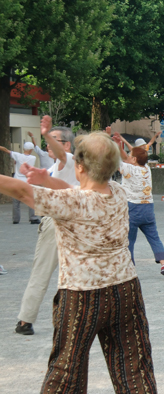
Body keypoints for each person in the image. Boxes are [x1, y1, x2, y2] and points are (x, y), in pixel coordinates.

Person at [1, 130, 158, 394]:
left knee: (66, 373)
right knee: (134, 369)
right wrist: (48, 181)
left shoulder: (71, 202)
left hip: (81, 296)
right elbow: (82, 193)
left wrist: (45, 183)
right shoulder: (118, 192)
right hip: (125, 290)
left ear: (80, 166)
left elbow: (20, 189)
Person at [14, 118, 79, 336]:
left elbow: (61, 155)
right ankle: (27, 319)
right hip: (67, 222)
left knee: (43, 271)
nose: (49, 145)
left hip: (59, 222)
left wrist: (45, 133)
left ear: (67, 144)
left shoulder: (68, 159)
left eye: (54, 141)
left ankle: (25, 320)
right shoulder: (53, 167)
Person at [113, 133, 164, 280]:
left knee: (130, 241)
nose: (127, 156)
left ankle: (131, 269)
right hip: (148, 208)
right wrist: (120, 144)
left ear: (133, 159)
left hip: (132, 208)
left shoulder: (128, 170)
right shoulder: (146, 169)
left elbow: (119, 160)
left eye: (130, 155)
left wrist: (115, 145)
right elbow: (127, 158)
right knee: (154, 238)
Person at [0, 142, 40, 224]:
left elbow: (6, 150)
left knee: (16, 201)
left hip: (16, 181)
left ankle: (16, 219)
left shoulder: (17, 156)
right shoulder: (33, 158)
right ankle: (33, 218)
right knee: (31, 199)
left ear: (23, 149)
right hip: (27, 182)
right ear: (31, 150)